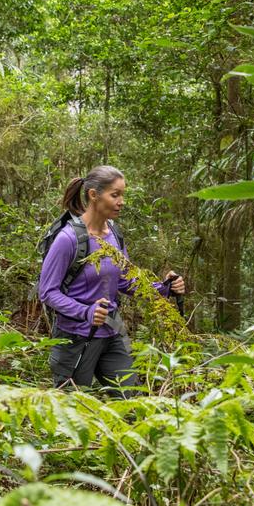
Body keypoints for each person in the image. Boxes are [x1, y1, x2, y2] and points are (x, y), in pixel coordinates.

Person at [39, 165, 186, 396]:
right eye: (115, 195)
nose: (121, 201)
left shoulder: (114, 234)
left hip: (112, 333)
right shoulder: (68, 239)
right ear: (93, 195)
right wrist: (85, 312)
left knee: (131, 400)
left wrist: (163, 288)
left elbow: (125, 280)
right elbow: (47, 292)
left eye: (122, 195)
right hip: (76, 339)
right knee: (73, 409)